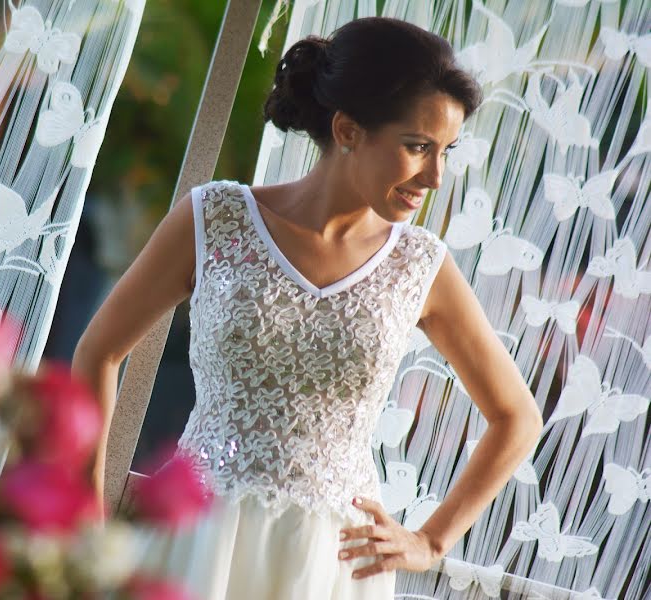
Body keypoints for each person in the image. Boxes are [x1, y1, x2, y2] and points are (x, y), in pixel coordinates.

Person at [72, 16, 544, 599]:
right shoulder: (216, 218)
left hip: (333, 565)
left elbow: (517, 418)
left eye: (446, 151)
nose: (436, 176)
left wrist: (431, 541)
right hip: (198, 539)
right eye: (418, 146)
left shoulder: (421, 265)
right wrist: (85, 517)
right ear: (348, 130)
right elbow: (98, 351)